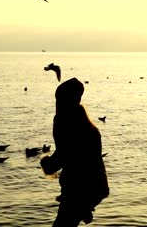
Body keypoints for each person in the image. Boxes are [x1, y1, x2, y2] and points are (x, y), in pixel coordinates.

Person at [40, 77, 109, 226]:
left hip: (78, 189)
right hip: (97, 187)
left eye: (58, 99)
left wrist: (47, 164)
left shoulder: (62, 120)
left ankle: (82, 209)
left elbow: (64, 154)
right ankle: (83, 209)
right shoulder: (89, 126)